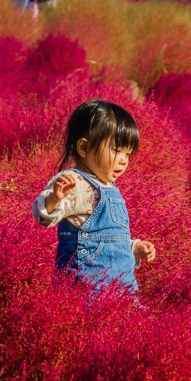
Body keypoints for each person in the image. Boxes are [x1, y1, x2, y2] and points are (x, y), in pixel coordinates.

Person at [33, 100, 156, 296]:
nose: (124, 160)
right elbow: (44, 217)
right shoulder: (76, 183)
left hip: (122, 287)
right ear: (83, 148)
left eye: (128, 154)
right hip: (88, 289)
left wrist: (133, 248)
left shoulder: (110, 187)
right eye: (116, 150)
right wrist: (55, 200)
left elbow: (108, 239)